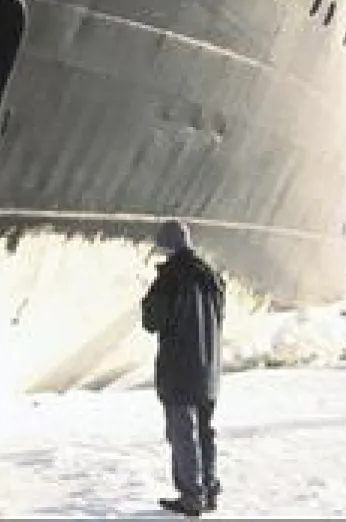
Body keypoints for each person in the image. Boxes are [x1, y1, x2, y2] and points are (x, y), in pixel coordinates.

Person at [141, 219, 226, 517]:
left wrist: (148, 298)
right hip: (209, 367)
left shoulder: (171, 278)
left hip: (179, 367)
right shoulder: (212, 276)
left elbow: (152, 322)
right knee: (204, 431)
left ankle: (191, 496)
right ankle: (209, 490)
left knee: (182, 433)